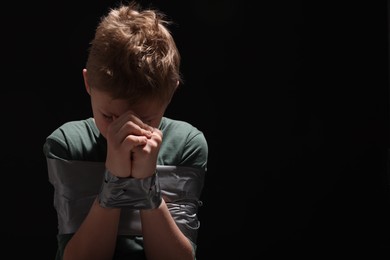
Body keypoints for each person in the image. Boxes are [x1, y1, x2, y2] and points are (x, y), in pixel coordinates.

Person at [43, 1, 208, 259]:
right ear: (88, 82)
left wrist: (146, 183)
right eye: (109, 116)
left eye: (145, 119)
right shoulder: (68, 142)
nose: (125, 131)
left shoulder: (187, 143)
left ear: (172, 91)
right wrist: (114, 178)